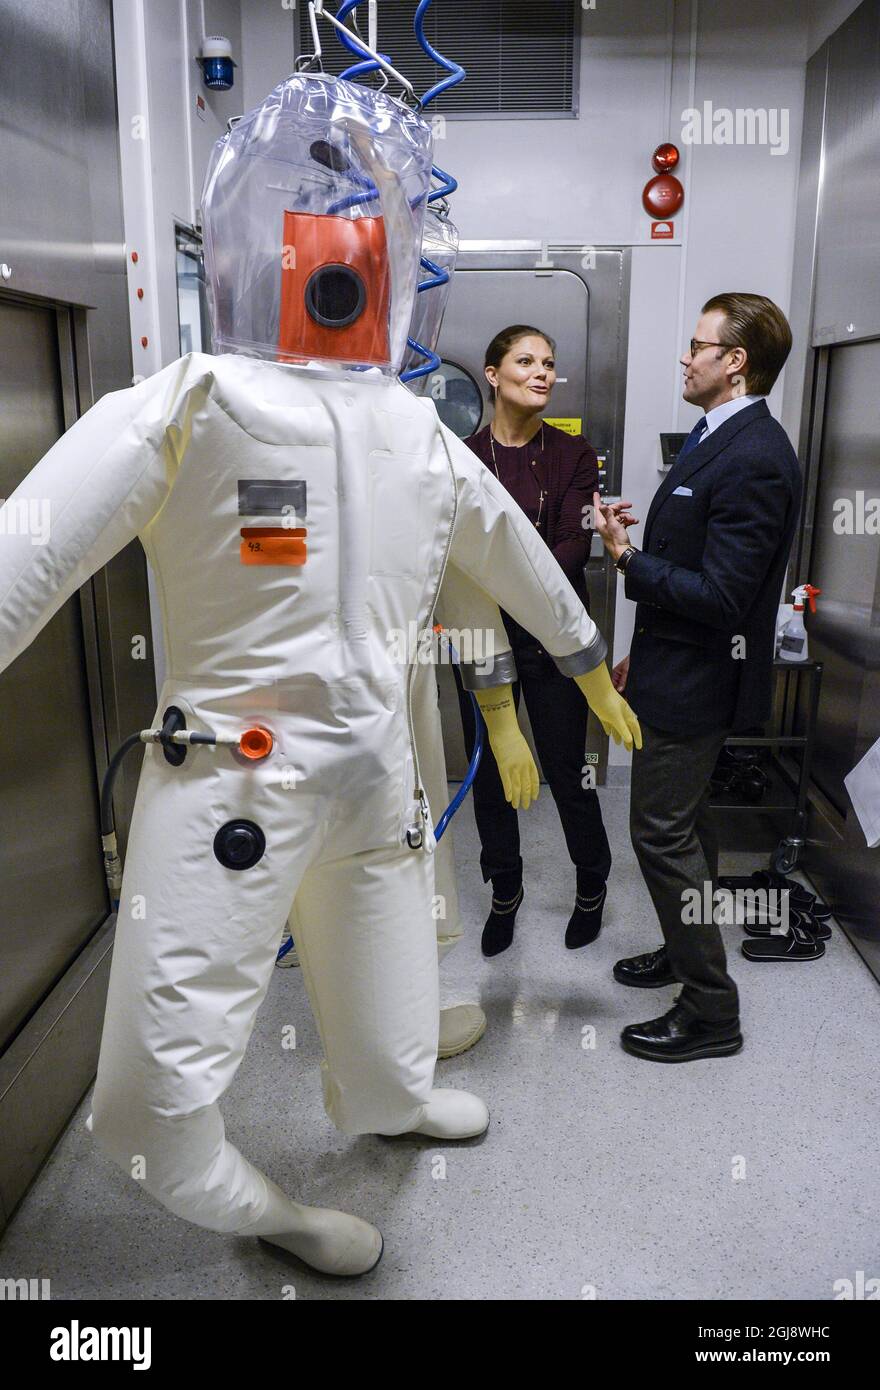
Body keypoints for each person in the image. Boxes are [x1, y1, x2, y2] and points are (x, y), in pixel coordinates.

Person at [0, 72, 639, 1277]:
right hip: (228, 790)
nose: (340, 260)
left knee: (394, 991)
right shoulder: (195, 402)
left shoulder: (411, 428)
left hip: (372, 781)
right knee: (152, 1102)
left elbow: (506, 544)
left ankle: (385, 1099)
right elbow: (29, 548)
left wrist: (586, 656)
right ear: (270, 250)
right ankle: (269, 1215)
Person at [594, 292, 802, 1063]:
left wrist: (626, 560)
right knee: (692, 827)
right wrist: (639, 653)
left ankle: (712, 1010)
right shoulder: (717, 437)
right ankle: (686, 955)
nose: (685, 358)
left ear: (735, 361)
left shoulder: (756, 457)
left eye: (697, 345)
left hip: (699, 686)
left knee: (660, 831)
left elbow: (721, 598)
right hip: (671, 671)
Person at [455, 325, 614, 957]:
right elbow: (458, 558)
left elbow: (573, 551)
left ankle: (592, 886)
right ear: (493, 375)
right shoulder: (461, 458)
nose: (543, 373)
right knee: (491, 774)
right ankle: (504, 891)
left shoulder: (573, 455)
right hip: (481, 638)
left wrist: (504, 579)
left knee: (566, 768)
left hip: (551, 642)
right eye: (526, 362)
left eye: (549, 363)